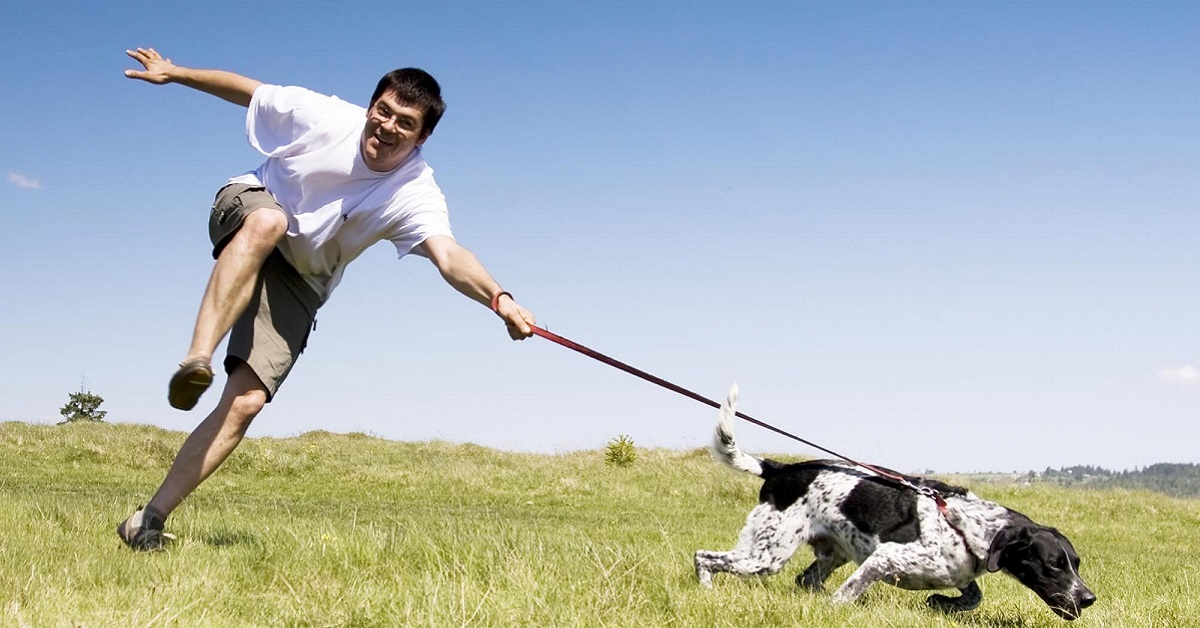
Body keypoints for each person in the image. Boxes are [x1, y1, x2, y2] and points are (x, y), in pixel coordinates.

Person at [116, 47, 537, 551]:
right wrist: (177, 73)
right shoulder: (323, 116)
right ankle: (197, 359)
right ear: (369, 107)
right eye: (382, 110)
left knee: (246, 403)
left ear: (422, 137)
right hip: (250, 205)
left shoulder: (415, 191)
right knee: (269, 222)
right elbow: (247, 90)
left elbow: (447, 254)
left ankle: (147, 520)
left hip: (302, 276)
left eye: (405, 122)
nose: (386, 126)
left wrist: (499, 298)